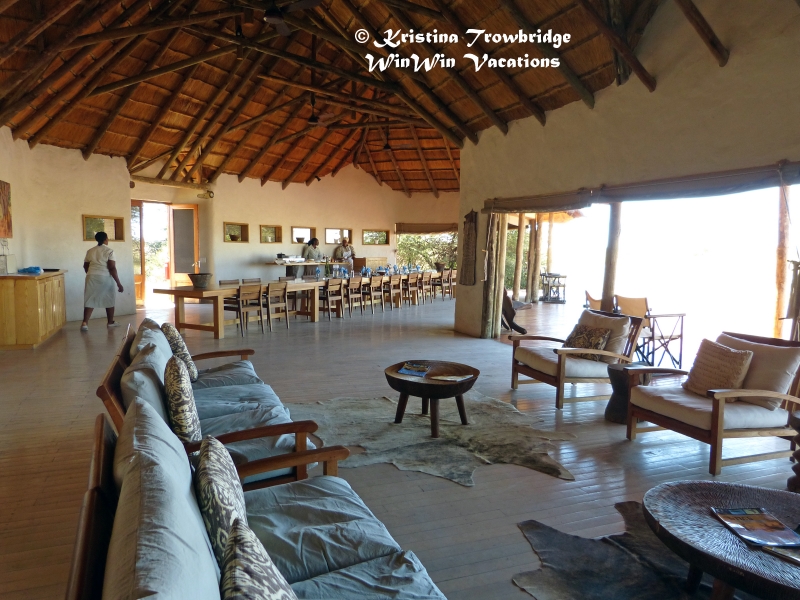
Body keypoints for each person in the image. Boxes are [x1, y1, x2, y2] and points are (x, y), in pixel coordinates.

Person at [81, 231, 124, 331]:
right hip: (105, 277)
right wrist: (119, 283)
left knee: (89, 299)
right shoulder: (109, 251)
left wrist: (91, 274)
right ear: (105, 239)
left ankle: (84, 323)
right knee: (109, 298)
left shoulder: (90, 251)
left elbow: (85, 266)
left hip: (91, 277)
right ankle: (110, 322)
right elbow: (112, 268)